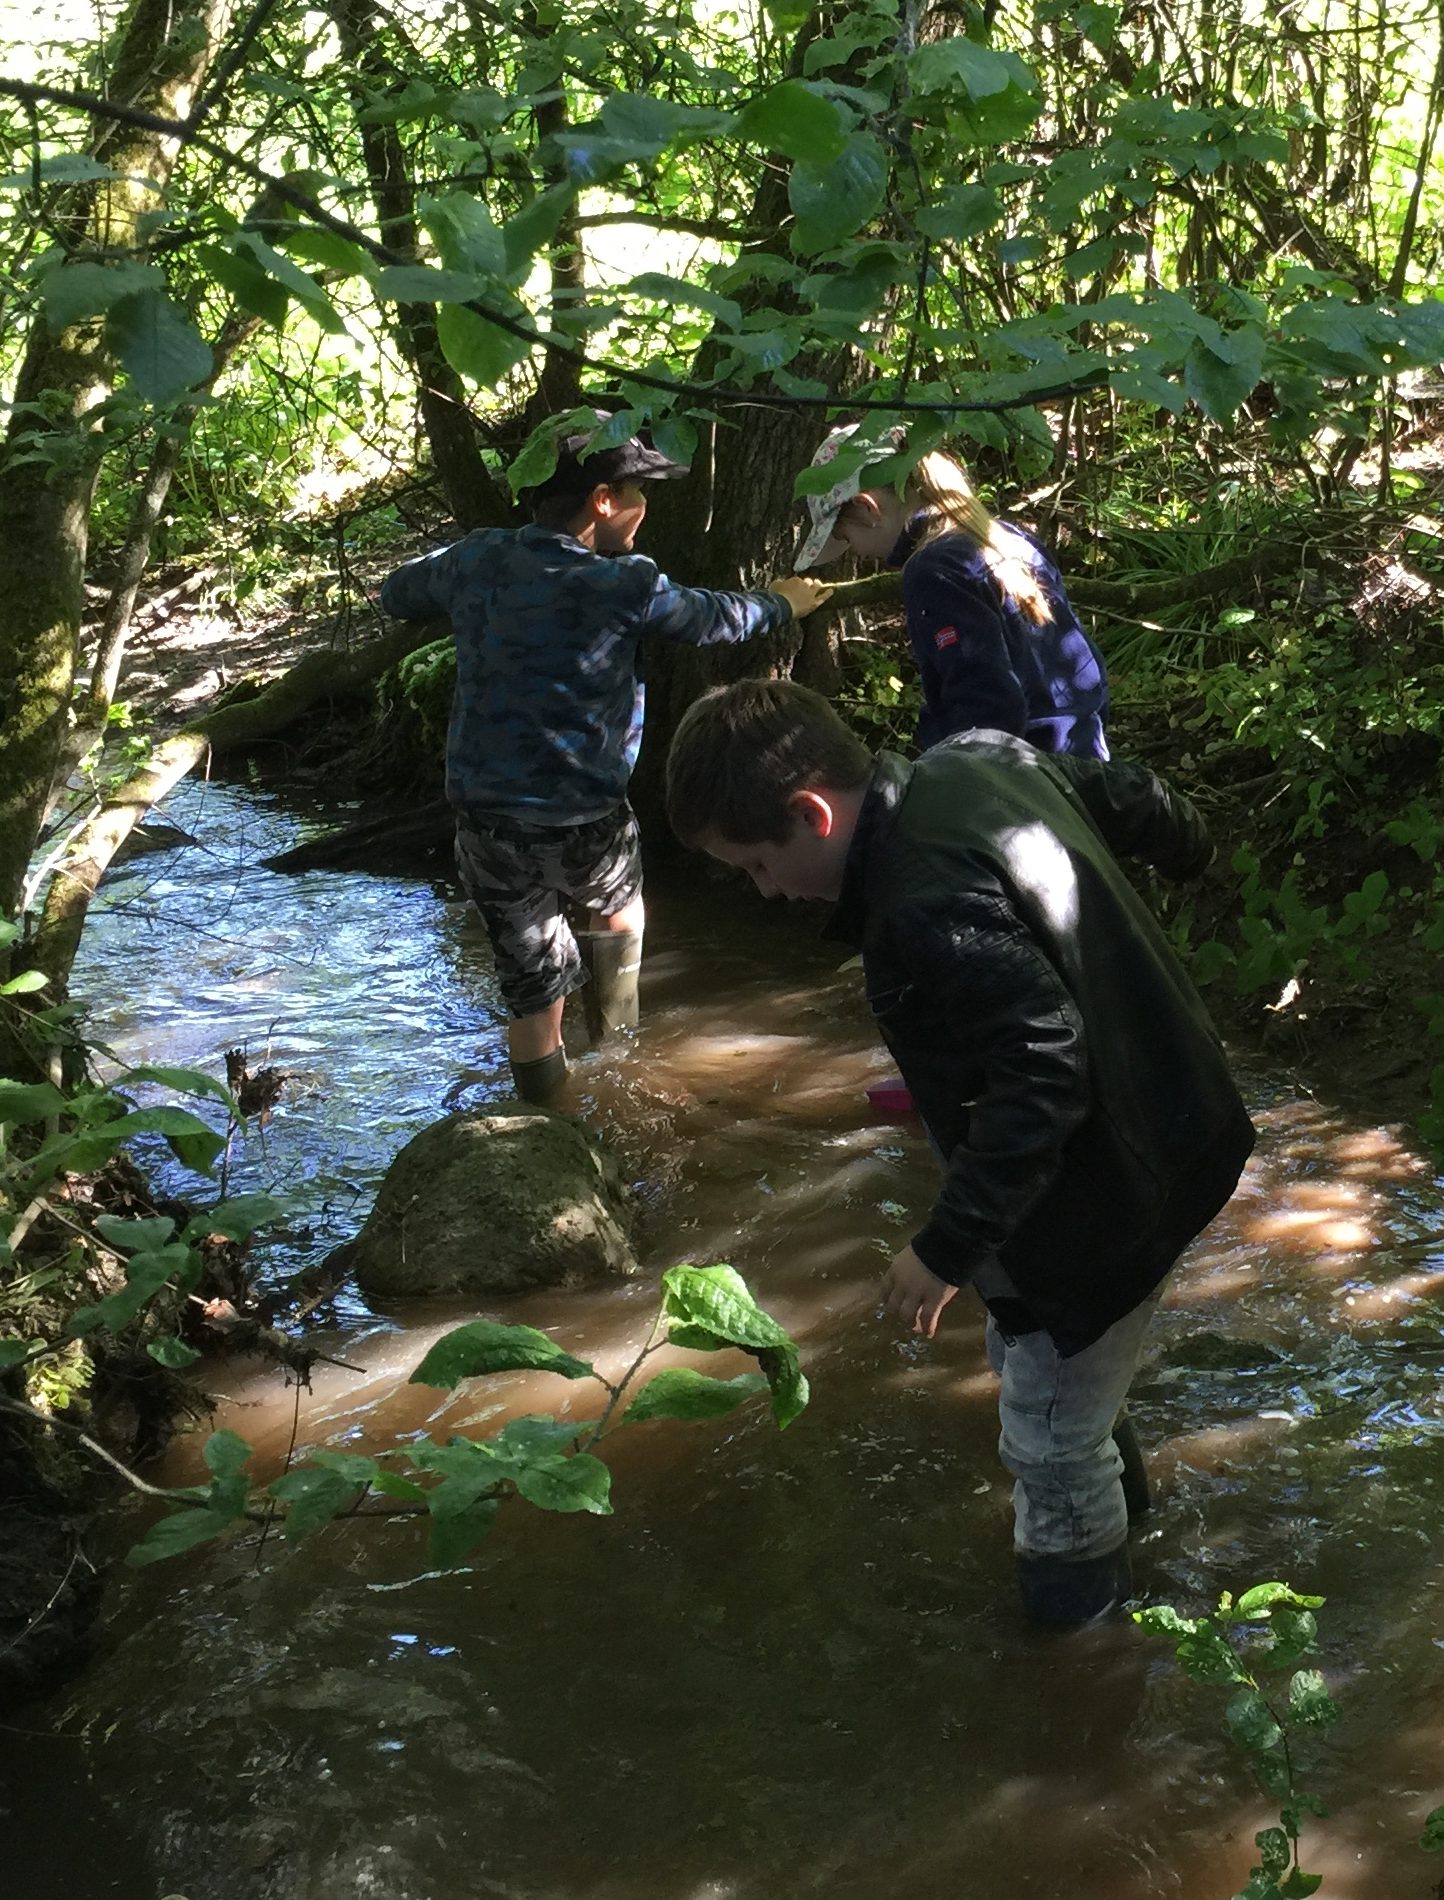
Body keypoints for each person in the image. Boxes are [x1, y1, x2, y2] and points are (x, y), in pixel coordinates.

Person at [663, 678, 1255, 1630]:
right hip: (1178, 1113)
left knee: (1051, 1445)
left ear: (811, 813)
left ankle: (1081, 1667)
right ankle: (1130, 1526)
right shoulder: (978, 759)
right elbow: (1131, 797)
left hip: (1109, 1181)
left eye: (758, 866)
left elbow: (1044, 1077)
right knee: (1057, 1368)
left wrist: (946, 1247)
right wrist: (1198, 856)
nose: (766, 892)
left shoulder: (920, 905)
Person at [380, 418, 833, 1107]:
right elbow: (716, 619)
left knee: (531, 994)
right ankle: (620, 1062)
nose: (644, 508)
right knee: (620, 913)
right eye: (637, 492)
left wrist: (474, 573)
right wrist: (783, 603)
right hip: (586, 815)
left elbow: (396, 593)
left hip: (487, 822)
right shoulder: (625, 583)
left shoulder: (479, 560)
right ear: (600, 501)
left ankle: (550, 1124)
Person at [794, 426, 1111, 759]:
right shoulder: (1009, 538)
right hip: (1083, 761)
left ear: (868, 509)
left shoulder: (933, 569)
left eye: (844, 537)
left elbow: (985, 707)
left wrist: (943, 779)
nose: (854, 552)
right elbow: (1086, 668)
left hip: (1028, 783)